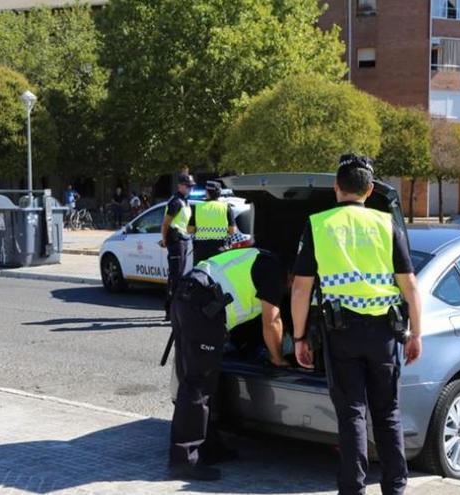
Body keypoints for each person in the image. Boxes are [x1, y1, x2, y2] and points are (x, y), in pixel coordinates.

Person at [290, 154, 422, 495]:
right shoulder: (386, 224)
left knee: (352, 416)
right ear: (371, 189)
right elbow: (409, 285)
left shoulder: (319, 225)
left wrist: (301, 337)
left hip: (341, 334)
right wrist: (416, 334)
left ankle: (353, 490)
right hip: (383, 335)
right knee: (387, 413)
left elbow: (302, 288)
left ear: (337, 188)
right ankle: (395, 487)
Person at [168, 240, 289, 481]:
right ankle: (184, 459)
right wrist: (278, 358)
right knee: (197, 384)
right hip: (202, 305)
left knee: (204, 379)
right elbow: (271, 322)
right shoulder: (273, 271)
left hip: (188, 296)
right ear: (292, 274)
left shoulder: (258, 256)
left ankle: (209, 447)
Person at [160, 174, 195, 320]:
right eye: (188, 186)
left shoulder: (185, 201)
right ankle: (170, 310)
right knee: (175, 277)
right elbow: (165, 223)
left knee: (180, 276)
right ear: (180, 185)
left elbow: (185, 224)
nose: (190, 188)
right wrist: (164, 240)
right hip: (175, 241)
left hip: (183, 239)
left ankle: (174, 309)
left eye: (191, 186)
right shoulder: (176, 202)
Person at [188, 181, 236, 264]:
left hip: (201, 249)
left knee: (200, 275)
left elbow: (189, 230)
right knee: (218, 275)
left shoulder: (197, 208)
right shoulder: (226, 207)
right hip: (220, 249)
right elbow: (232, 231)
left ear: (207, 193)